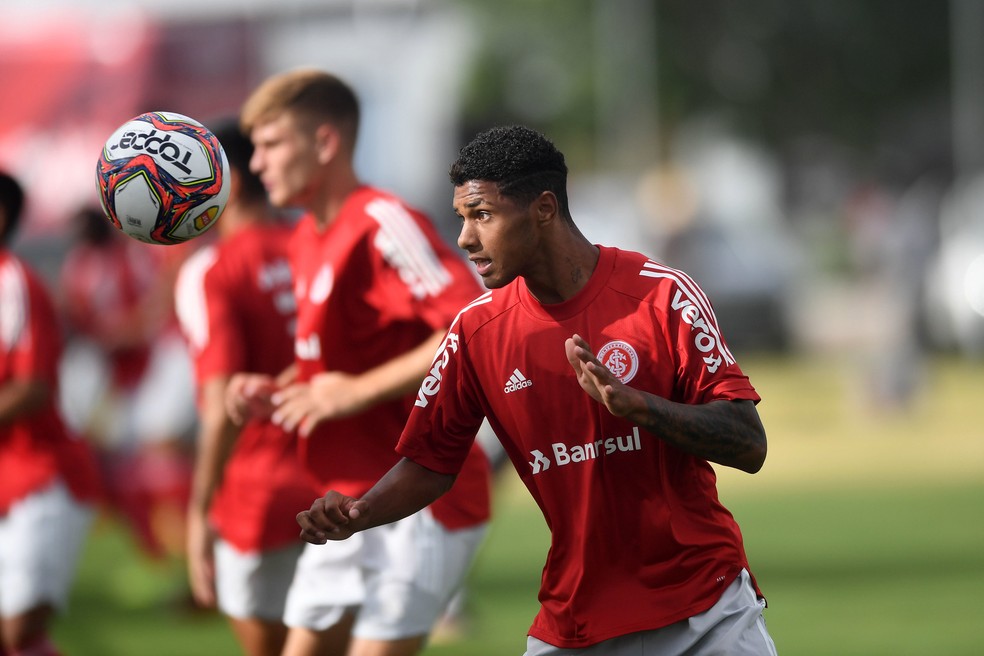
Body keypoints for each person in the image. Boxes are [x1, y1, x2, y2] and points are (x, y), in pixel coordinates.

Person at [297, 125, 779, 656]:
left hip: (705, 614)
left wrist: (640, 407)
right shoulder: (475, 332)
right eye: (462, 218)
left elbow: (748, 441)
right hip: (577, 624)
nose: (465, 238)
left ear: (543, 208)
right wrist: (361, 513)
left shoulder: (661, 296)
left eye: (482, 215)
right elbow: (430, 463)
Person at [228, 69, 492, 656]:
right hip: (342, 502)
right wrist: (271, 389)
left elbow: (468, 322)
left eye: (271, 145)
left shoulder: (379, 220)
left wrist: (354, 392)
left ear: (324, 143)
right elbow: (332, 367)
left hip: (419, 498)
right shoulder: (303, 238)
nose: (256, 163)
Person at [173, 121, 320, 656]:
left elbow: (220, 408)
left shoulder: (216, 269)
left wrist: (198, 515)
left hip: (259, 493)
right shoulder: (317, 242)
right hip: (347, 480)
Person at [57, 204, 198, 564]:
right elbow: (74, 313)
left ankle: (186, 528)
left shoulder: (137, 255)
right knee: (122, 447)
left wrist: (127, 332)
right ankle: (156, 535)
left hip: (160, 357)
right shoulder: (78, 266)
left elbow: (156, 304)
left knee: (160, 442)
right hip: (115, 367)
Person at [0, 170, 102, 655]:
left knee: (20, 633)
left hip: (42, 477)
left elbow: (32, 390)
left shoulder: (13, 284)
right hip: (8, 477)